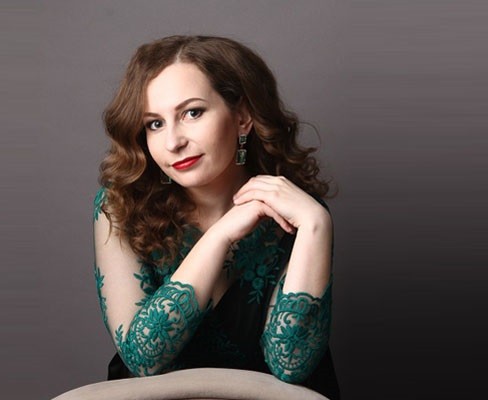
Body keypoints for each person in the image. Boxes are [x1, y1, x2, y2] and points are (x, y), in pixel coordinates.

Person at [92, 35, 340, 398]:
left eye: (192, 113)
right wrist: (220, 235)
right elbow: (143, 358)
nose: (173, 142)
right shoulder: (120, 205)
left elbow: (290, 364)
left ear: (243, 118)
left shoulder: (297, 214)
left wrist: (317, 224)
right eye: (154, 124)